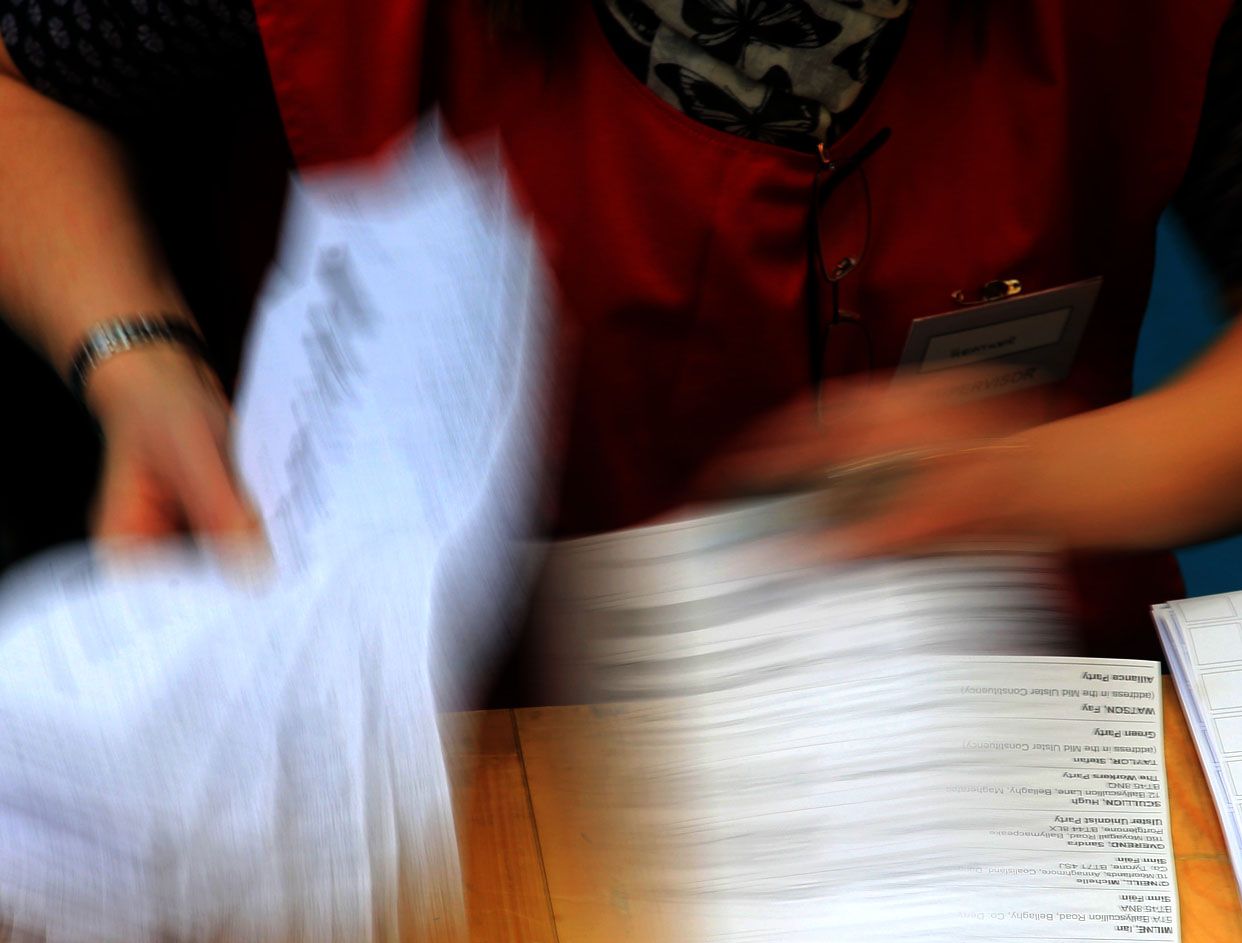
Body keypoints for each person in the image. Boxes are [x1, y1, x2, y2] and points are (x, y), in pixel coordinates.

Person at [0, 0, 1240, 661]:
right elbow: (23, 84)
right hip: (467, 742)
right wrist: (135, 360)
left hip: (999, 708)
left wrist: (1021, 482)